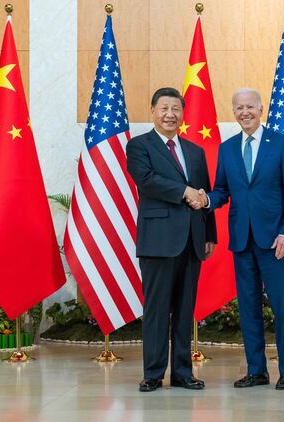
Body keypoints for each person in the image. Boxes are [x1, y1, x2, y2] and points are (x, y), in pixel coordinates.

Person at [189, 88, 284, 390]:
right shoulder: (227, 149)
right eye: (239, 108)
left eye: (250, 106)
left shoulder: (281, 144)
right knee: (249, 307)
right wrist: (206, 200)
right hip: (241, 240)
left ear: (261, 109)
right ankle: (257, 371)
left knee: (281, 306)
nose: (245, 112)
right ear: (234, 112)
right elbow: (222, 191)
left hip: (275, 241)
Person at [126, 87, 217, 392]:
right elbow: (147, 180)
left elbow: (204, 194)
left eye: (175, 109)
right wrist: (183, 191)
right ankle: (153, 373)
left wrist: (209, 234)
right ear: (153, 111)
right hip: (158, 241)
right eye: (164, 108)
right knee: (156, 310)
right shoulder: (139, 146)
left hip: (192, 241)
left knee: (184, 310)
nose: (170, 114)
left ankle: (182, 373)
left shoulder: (195, 151)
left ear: (182, 113)